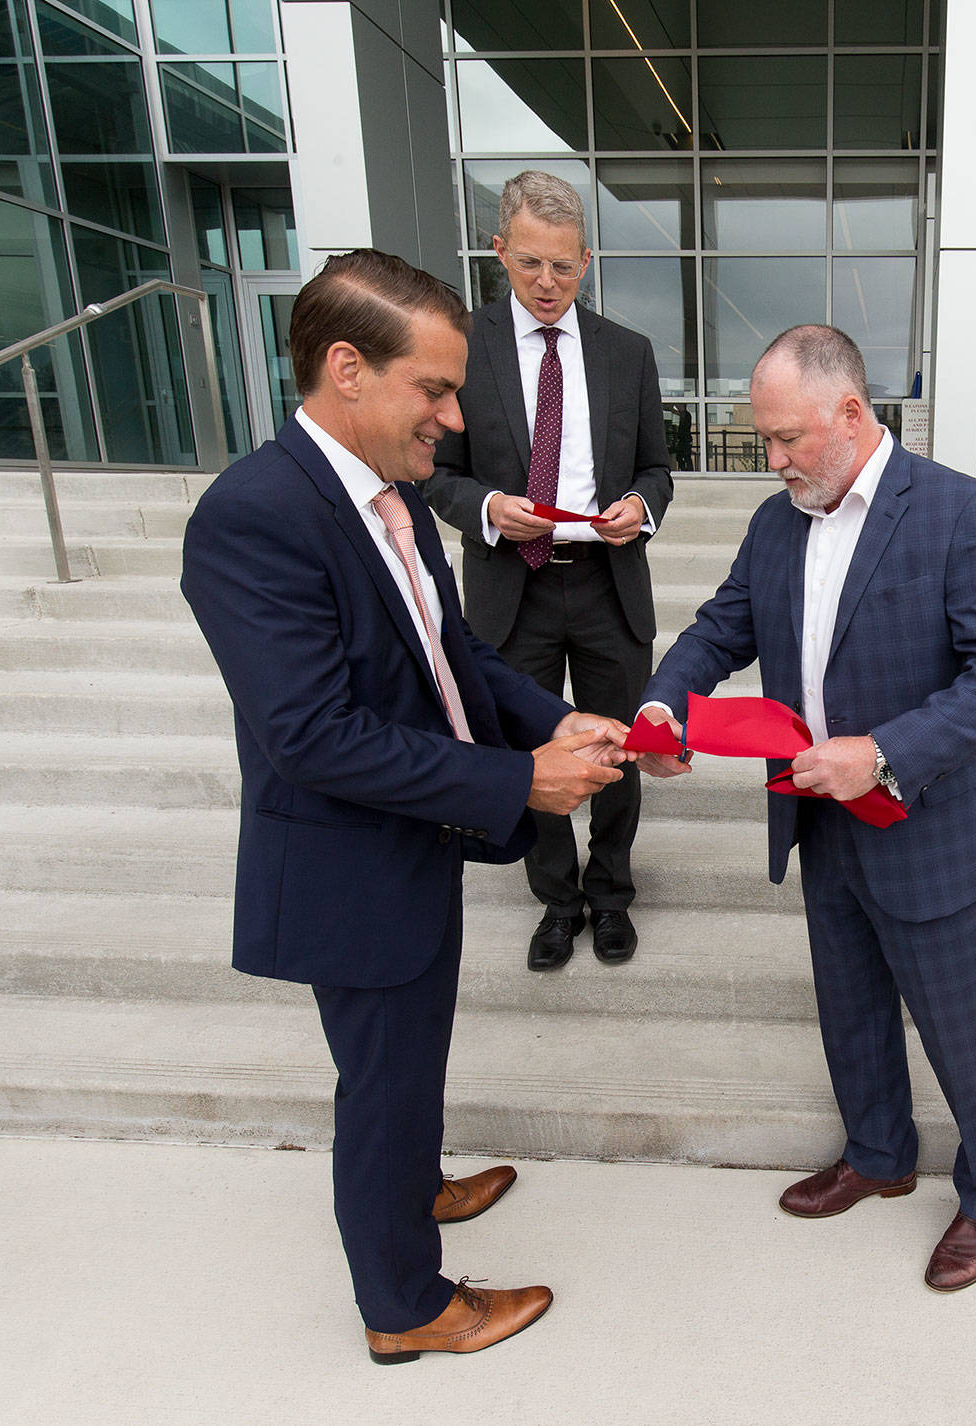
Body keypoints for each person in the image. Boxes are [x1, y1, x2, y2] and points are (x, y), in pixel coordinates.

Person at [180, 249, 632, 1362]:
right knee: (381, 1078)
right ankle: (405, 1306)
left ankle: (410, 1189)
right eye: (432, 388)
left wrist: (549, 721)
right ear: (345, 367)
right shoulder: (255, 514)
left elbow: (453, 652)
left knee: (407, 1057)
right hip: (347, 860)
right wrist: (519, 782)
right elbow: (313, 735)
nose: (451, 414)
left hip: (412, 836)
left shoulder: (387, 495)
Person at [637, 326, 976, 1292]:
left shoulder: (956, 511)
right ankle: (879, 1155)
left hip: (928, 827)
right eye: (764, 442)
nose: (772, 462)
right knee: (851, 1007)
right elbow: (720, 627)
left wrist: (885, 753)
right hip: (820, 819)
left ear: (851, 414)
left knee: (962, 1026)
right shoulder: (779, 521)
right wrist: (663, 702)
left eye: (786, 440)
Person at [424, 170, 675, 973]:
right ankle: (557, 903)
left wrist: (639, 505)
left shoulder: (627, 353)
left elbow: (657, 470)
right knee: (530, 753)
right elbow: (434, 472)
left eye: (564, 267)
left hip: (606, 582)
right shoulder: (462, 348)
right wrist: (491, 508)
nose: (546, 283)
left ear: (587, 262)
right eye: (530, 263)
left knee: (617, 747)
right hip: (511, 587)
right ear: (500, 251)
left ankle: (610, 895)